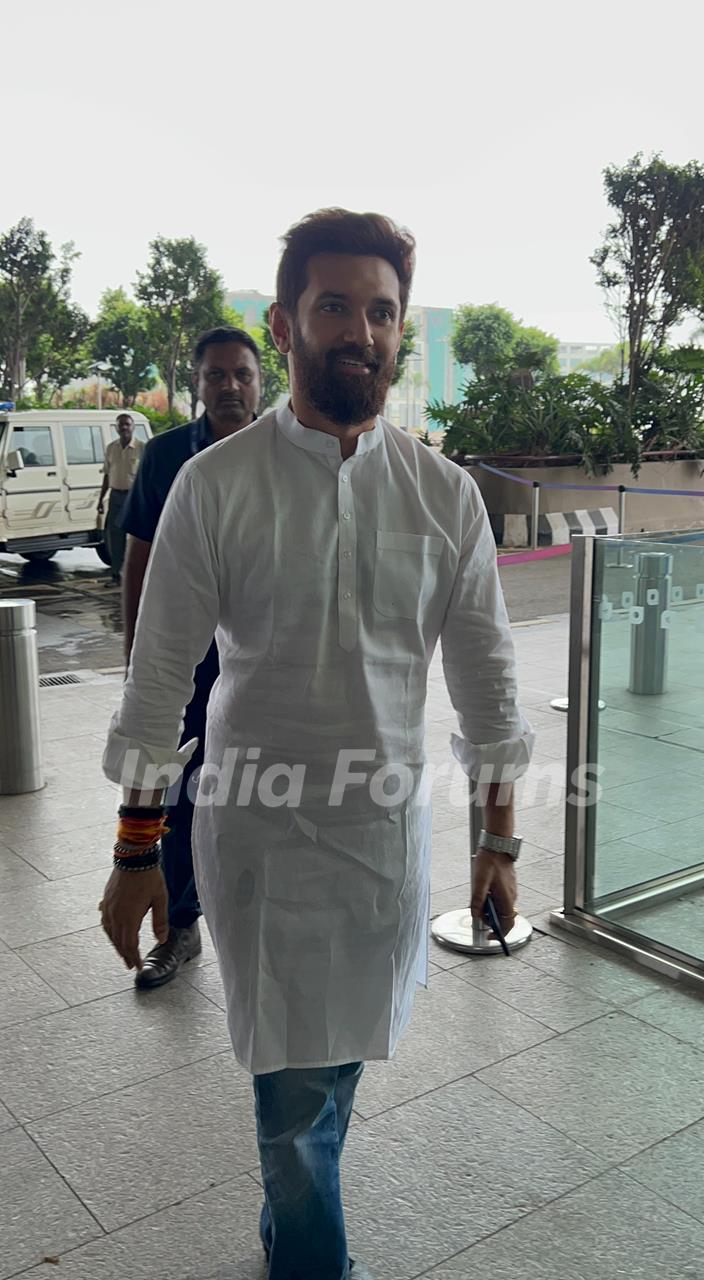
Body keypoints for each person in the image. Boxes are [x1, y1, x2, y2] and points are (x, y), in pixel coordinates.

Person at [99, 208, 534, 1280]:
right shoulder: (217, 485)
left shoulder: (442, 496)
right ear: (286, 326)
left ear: (399, 335)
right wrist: (136, 848)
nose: (362, 329)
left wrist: (500, 840)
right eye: (334, 305)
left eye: (381, 311)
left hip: (381, 845)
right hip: (260, 838)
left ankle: (289, 1212)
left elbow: (488, 684)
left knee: (330, 1079)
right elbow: (162, 682)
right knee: (291, 1102)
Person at [120, 326, 262, 988]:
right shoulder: (167, 457)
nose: (229, 386)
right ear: (197, 385)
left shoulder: (290, 457)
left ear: (262, 382)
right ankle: (181, 926)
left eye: (242, 374)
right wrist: (136, 662)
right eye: (216, 375)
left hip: (266, 663)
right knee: (179, 787)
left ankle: (265, 918)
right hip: (190, 661)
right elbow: (139, 561)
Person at [98, 413, 144, 583]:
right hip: (116, 496)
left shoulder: (142, 448)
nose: (124, 428)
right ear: (116, 428)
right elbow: (107, 475)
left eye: (127, 424)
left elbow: (147, 477)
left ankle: (138, 575)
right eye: (121, 425)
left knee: (138, 538)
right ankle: (116, 574)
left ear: (133, 427)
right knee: (114, 537)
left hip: (134, 498)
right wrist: (101, 500)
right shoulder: (111, 448)